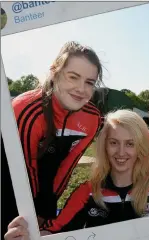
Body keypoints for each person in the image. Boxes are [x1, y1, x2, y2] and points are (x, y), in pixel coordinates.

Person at [5, 109, 149, 239]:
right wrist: (28, 235)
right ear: (104, 146)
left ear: (141, 148)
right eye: (114, 143)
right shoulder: (88, 191)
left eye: (130, 144)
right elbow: (55, 230)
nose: (121, 152)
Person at [2, 41, 104, 234]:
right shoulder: (26, 108)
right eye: (73, 77)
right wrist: (32, 213)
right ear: (55, 72)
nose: (81, 88)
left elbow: (67, 167)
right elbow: (25, 168)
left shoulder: (92, 118)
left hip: (45, 179)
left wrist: (46, 207)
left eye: (89, 82)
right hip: (9, 175)